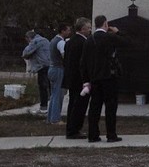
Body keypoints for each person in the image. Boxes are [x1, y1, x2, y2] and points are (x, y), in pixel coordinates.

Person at [81, 15, 127, 143]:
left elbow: (83, 62)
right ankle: (111, 134)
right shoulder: (110, 37)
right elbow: (127, 42)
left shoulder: (89, 40)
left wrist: (86, 80)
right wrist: (118, 32)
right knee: (111, 107)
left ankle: (93, 134)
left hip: (95, 78)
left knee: (94, 107)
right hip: (109, 77)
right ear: (105, 24)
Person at [63, 18, 91, 139]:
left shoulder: (70, 41)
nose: (90, 30)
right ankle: (74, 129)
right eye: (88, 27)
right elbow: (83, 63)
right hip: (80, 79)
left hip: (71, 78)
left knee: (72, 104)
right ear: (82, 28)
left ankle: (71, 127)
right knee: (79, 105)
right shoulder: (82, 43)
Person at [22, 30, 52, 113]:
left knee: (43, 87)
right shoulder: (45, 40)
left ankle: (43, 108)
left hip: (42, 67)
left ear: (28, 38)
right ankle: (53, 107)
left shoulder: (35, 41)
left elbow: (25, 52)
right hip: (50, 65)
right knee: (51, 87)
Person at [47, 23, 71, 123]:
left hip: (52, 68)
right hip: (58, 69)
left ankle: (50, 117)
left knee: (53, 94)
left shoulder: (53, 40)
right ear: (63, 31)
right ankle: (55, 119)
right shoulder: (61, 42)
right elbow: (64, 56)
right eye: (68, 30)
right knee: (58, 95)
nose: (69, 32)